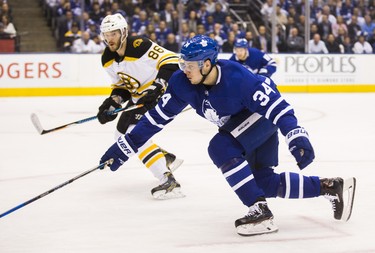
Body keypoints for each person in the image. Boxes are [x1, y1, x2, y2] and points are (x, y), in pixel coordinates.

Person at [99, 35, 357, 236]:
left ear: (207, 64)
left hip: (262, 119)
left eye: (189, 65)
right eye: (182, 64)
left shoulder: (239, 79)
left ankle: (260, 212)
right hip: (242, 125)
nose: (184, 70)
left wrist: (296, 136)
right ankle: (330, 187)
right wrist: (125, 147)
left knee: (220, 147)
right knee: (264, 182)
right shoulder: (181, 83)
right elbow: (155, 120)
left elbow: (278, 107)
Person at [97, 13, 184, 200]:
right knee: (120, 136)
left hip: (162, 95)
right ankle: (164, 158)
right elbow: (122, 86)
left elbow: (172, 61)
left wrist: (158, 85)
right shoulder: (107, 58)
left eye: (113, 34)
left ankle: (168, 180)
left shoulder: (139, 46)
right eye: (106, 34)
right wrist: (113, 102)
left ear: (123, 32)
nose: (109, 39)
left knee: (133, 134)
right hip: (140, 99)